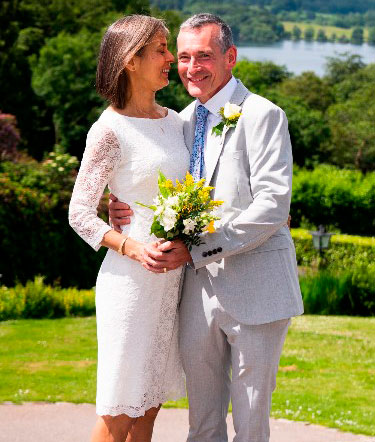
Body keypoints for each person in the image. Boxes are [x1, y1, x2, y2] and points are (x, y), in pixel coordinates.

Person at [109, 13, 304, 442]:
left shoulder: (264, 115)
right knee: (203, 425)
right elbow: (153, 176)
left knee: (251, 425)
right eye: (182, 56)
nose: (192, 67)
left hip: (258, 289)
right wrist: (118, 202)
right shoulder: (180, 120)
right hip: (194, 293)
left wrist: (199, 249)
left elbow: (273, 205)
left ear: (230, 57)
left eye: (204, 55)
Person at [68, 15, 190, 442]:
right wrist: (132, 247)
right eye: (160, 49)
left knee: (149, 409)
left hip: (170, 284)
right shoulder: (108, 130)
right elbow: (80, 211)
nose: (170, 57)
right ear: (130, 60)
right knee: (120, 411)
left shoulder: (176, 122)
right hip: (130, 284)